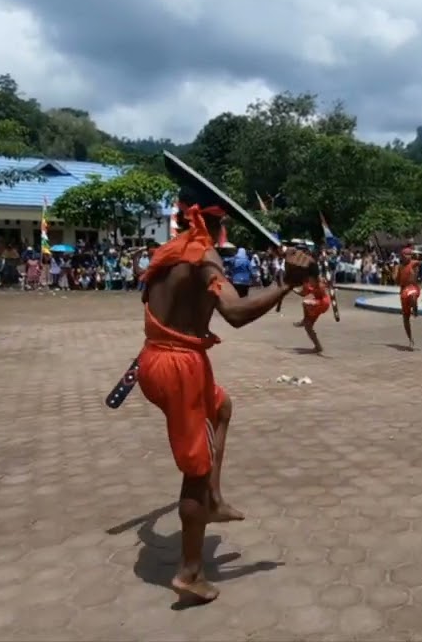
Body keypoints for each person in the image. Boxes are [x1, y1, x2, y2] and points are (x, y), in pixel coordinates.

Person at [137, 187, 312, 605]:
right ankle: (189, 573)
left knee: (222, 406)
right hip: (179, 367)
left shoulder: (168, 253)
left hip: (156, 359)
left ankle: (213, 499)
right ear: (219, 226)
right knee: (194, 471)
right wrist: (286, 284)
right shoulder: (204, 256)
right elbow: (233, 313)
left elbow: (166, 310)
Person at [294, 272, 331, 354]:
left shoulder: (320, 283)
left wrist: (326, 281)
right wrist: (293, 289)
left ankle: (304, 320)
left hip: (323, 303)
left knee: (305, 303)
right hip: (317, 303)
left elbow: (325, 285)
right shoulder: (308, 284)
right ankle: (318, 347)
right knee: (308, 327)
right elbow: (302, 293)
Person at [397, 247, 422, 348]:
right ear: (402, 256)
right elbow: (397, 280)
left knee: (412, 295)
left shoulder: (413, 263)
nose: (408, 256)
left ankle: (415, 309)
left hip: (412, 287)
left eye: (409, 255)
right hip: (403, 290)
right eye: (406, 255)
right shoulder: (399, 267)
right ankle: (410, 339)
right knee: (405, 317)